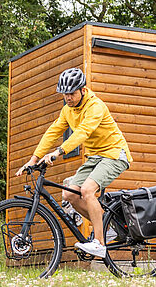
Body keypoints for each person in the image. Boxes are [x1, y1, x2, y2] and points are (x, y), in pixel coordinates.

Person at [15, 68, 132, 258]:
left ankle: (99, 243)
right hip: (95, 156)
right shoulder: (67, 110)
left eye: (71, 93)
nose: (68, 98)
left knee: (86, 190)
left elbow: (83, 132)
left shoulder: (95, 106)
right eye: (65, 94)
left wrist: (58, 152)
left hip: (114, 155)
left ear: (83, 90)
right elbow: (53, 132)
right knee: (69, 194)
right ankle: (106, 228)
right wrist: (33, 159)